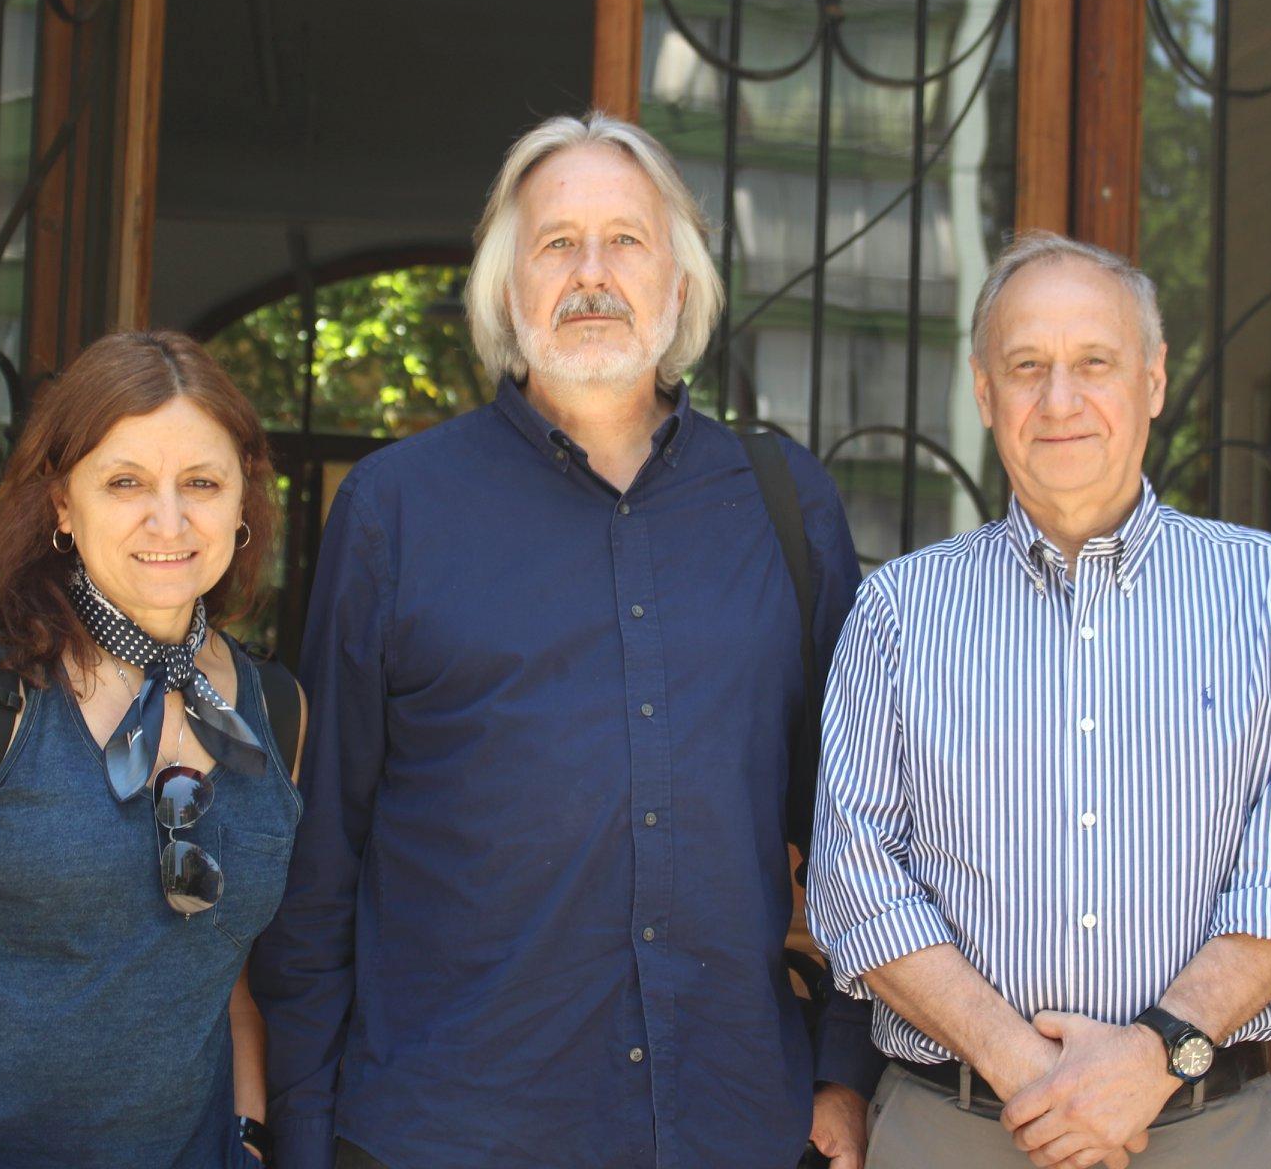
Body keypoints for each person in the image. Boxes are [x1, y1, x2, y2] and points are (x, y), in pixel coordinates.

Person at [250, 113, 881, 1169]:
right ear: (508, 287)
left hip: (732, 1126)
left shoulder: (784, 505)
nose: (592, 274)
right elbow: (323, 859)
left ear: (679, 282)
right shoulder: (394, 512)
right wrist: (305, 1137)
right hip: (449, 1133)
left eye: (627, 240)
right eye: (557, 244)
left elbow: (862, 819)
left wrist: (843, 1076)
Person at [806, 231, 1271, 1169]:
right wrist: (1026, 1066)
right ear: (985, 394)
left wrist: (1153, 1057)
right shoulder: (898, 612)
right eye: (1027, 367)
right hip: (953, 1130)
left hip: (1205, 1128)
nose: (1059, 401)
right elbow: (854, 876)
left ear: (1152, 380)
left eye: (1094, 364)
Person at [0, 331, 303, 1169]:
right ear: (63, 506)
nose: (169, 519)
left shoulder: (274, 707)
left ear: (244, 501)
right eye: (126, 483)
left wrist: (249, 1135)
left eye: (203, 484)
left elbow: (233, 969)